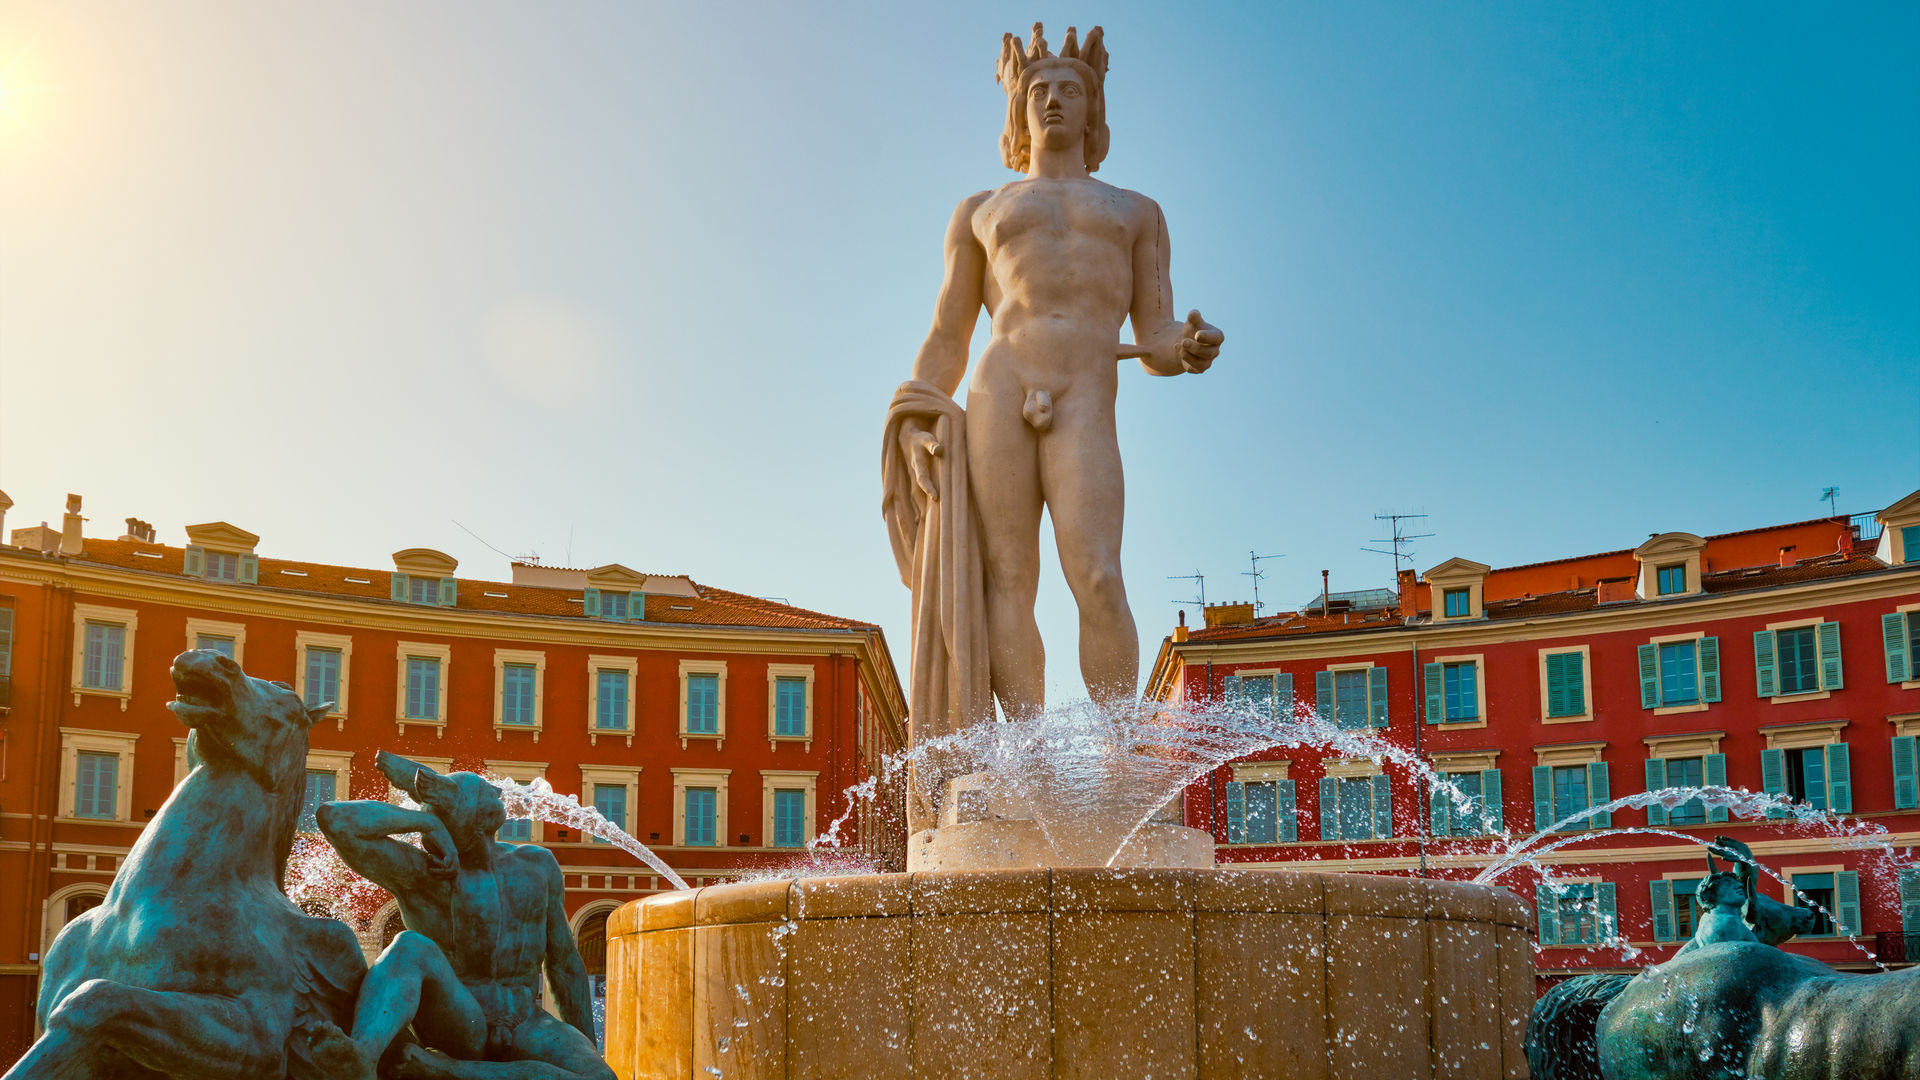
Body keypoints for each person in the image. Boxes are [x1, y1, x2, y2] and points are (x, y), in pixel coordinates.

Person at [886, 23, 1224, 741]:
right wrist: (914, 415)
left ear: (1093, 107)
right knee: (1008, 580)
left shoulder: (1136, 212)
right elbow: (949, 332)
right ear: (1018, 107)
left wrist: (1186, 346)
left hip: (1084, 394)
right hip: (998, 388)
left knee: (1098, 572)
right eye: (1038, 90)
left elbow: (1156, 334)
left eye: (1071, 89)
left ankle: (1115, 755)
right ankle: (1028, 761)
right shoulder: (981, 211)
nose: (1053, 101)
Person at [317, 752, 613, 1080]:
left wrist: (588, 1046)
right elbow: (335, 819)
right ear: (472, 816)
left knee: (601, 1078)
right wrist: (424, 821)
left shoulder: (538, 866)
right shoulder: (425, 874)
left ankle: (445, 1070)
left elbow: (564, 962)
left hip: (527, 1019)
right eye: (485, 789)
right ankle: (361, 1055)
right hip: (460, 1018)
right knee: (409, 946)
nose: (498, 792)